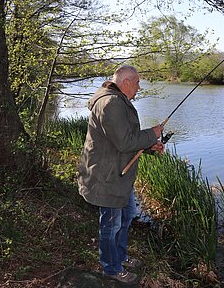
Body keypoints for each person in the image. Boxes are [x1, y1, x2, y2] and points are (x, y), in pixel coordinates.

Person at [78, 65, 164, 284]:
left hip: (118, 176)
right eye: (137, 83)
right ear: (126, 82)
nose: (138, 87)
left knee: (127, 216)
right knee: (111, 224)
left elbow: (123, 140)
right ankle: (111, 268)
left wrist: (149, 145)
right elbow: (125, 142)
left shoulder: (116, 101)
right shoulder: (111, 103)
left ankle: (120, 256)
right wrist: (151, 135)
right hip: (107, 178)